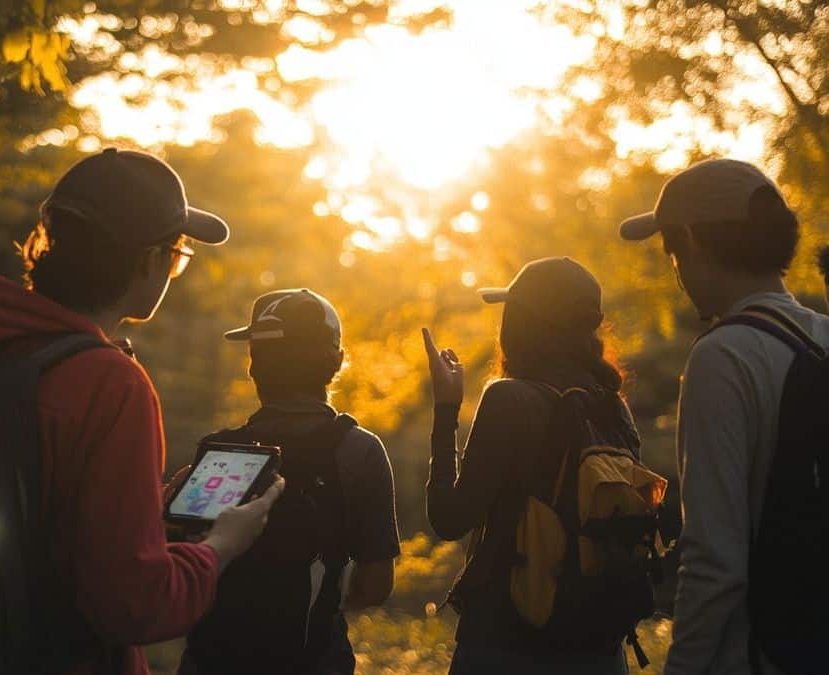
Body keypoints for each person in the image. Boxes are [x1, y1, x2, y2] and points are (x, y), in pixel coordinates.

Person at [0, 148, 283, 675]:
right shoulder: (109, 383)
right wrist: (218, 549)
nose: (174, 268)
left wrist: (148, 518)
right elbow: (134, 605)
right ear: (149, 260)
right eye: (177, 253)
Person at [619, 158, 829, 674]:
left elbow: (716, 560)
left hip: (758, 653)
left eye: (671, 252)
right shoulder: (823, 333)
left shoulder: (724, 356)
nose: (677, 272)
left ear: (690, 240)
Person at [422, 257, 640, 675]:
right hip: (598, 643)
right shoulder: (614, 408)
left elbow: (449, 519)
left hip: (507, 642)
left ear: (522, 324)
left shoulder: (510, 399)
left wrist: (446, 408)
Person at [176, 289, 400, 675]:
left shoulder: (218, 452)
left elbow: (182, 566)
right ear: (338, 362)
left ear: (253, 367)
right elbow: (376, 586)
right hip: (315, 661)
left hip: (211, 661)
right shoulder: (360, 451)